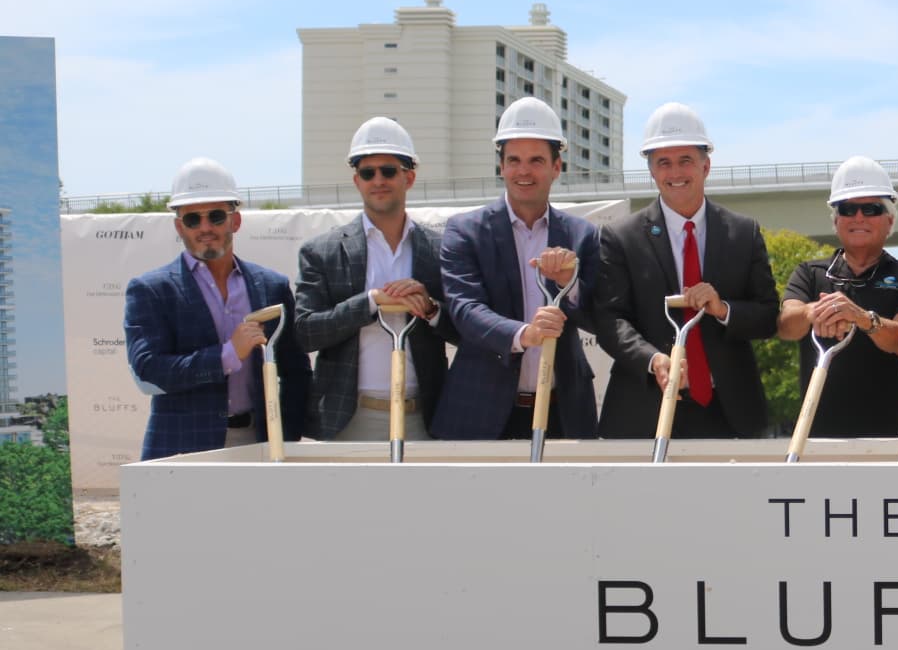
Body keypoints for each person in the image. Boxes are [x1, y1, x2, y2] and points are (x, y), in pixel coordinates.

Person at [594, 102, 779, 439]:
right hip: (644, 410)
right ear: (651, 170)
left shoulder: (743, 233)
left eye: (686, 161)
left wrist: (724, 309)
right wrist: (653, 361)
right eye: (664, 162)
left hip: (729, 413)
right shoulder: (621, 238)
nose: (675, 173)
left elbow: (768, 315)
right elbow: (609, 320)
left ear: (706, 166)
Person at [432, 97, 600, 441]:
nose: (524, 171)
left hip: (563, 412)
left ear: (557, 167)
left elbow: (601, 315)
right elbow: (465, 310)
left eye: (536, 160)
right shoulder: (465, 232)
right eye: (514, 160)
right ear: (502, 167)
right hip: (481, 412)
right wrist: (526, 334)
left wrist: (571, 283)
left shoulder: (582, 235)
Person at [124, 158, 311, 459]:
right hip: (180, 448)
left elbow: (296, 371)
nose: (205, 228)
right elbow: (149, 371)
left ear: (235, 221)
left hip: (258, 443)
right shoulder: (151, 290)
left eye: (215, 216)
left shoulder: (271, 286)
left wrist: (285, 437)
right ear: (179, 227)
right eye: (192, 219)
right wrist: (228, 354)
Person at [293, 118, 456, 442]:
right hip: (349, 419)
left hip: (424, 418)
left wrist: (431, 309)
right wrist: (369, 303)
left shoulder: (440, 250)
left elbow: (466, 331)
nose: (378, 180)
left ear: (409, 177)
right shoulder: (321, 252)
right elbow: (305, 333)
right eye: (368, 172)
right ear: (357, 180)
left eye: (389, 170)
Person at [776, 156, 898, 437]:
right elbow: (785, 325)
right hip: (818, 436)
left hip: (891, 436)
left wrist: (861, 318)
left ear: (890, 221)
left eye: (871, 209)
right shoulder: (810, 273)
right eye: (848, 209)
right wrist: (812, 313)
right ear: (835, 221)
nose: (859, 217)